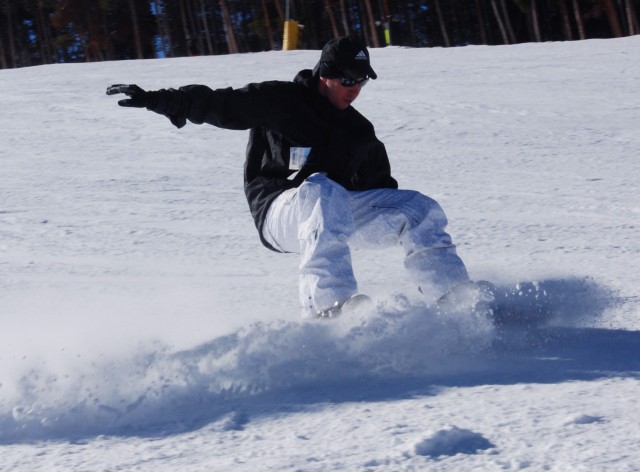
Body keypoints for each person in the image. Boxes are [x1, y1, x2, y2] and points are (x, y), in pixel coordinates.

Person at [107, 36, 471, 318]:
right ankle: (328, 308)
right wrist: (160, 100)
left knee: (416, 207)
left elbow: (380, 194)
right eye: (347, 79)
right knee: (321, 189)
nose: (354, 89)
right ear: (324, 74)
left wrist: (395, 214)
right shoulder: (281, 100)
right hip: (277, 212)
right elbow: (221, 104)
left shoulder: (359, 131)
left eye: (361, 82)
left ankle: (456, 299)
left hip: (332, 214)